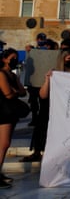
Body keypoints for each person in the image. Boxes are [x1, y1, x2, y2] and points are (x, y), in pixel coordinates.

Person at [23, 49, 70, 163]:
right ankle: (38, 152)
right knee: (43, 128)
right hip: (50, 107)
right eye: (69, 59)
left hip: (67, 109)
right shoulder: (55, 73)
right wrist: (47, 80)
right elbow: (43, 95)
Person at [0, 48, 27, 188]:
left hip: (10, 111)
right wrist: (16, 91)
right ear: (4, 59)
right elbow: (8, 94)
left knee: (5, 143)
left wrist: (15, 91)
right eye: (12, 57)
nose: (14, 60)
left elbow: (22, 91)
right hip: (3, 111)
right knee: (3, 143)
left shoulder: (12, 74)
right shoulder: (1, 73)